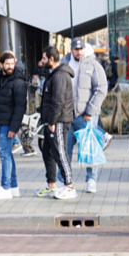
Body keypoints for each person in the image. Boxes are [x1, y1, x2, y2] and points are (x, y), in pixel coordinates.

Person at [61, 37, 109, 194]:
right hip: (67, 115)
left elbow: (101, 89)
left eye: (81, 49)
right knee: (64, 150)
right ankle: (64, 181)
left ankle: (91, 180)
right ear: (71, 49)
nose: (78, 52)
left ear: (85, 49)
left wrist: (90, 111)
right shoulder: (64, 64)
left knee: (90, 150)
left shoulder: (94, 65)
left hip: (86, 116)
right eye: (76, 49)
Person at [0, 51, 26, 200]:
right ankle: (14, 187)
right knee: (7, 154)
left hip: (8, 124)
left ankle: (5, 187)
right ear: (1, 64)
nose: (10, 66)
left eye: (12, 63)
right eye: (7, 64)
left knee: (4, 154)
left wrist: (14, 128)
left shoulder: (19, 81)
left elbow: (21, 106)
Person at [38, 46, 77, 200]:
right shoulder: (53, 74)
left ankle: (69, 186)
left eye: (44, 58)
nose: (41, 62)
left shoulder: (60, 76)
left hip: (59, 121)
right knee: (48, 151)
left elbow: (58, 101)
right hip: (52, 120)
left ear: (51, 59)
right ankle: (51, 185)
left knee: (60, 152)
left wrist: (52, 121)